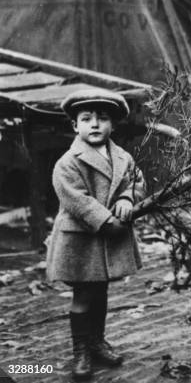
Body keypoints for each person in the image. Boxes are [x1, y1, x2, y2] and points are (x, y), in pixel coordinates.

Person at [46, 88, 145, 381]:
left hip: (107, 239)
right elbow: (75, 198)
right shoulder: (69, 161)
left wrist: (128, 198)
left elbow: (137, 181)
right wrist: (104, 219)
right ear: (75, 125)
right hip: (82, 238)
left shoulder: (123, 156)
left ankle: (97, 341)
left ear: (113, 125)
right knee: (83, 295)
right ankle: (81, 350)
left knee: (100, 291)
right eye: (86, 118)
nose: (95, 124)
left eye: (102, 118)